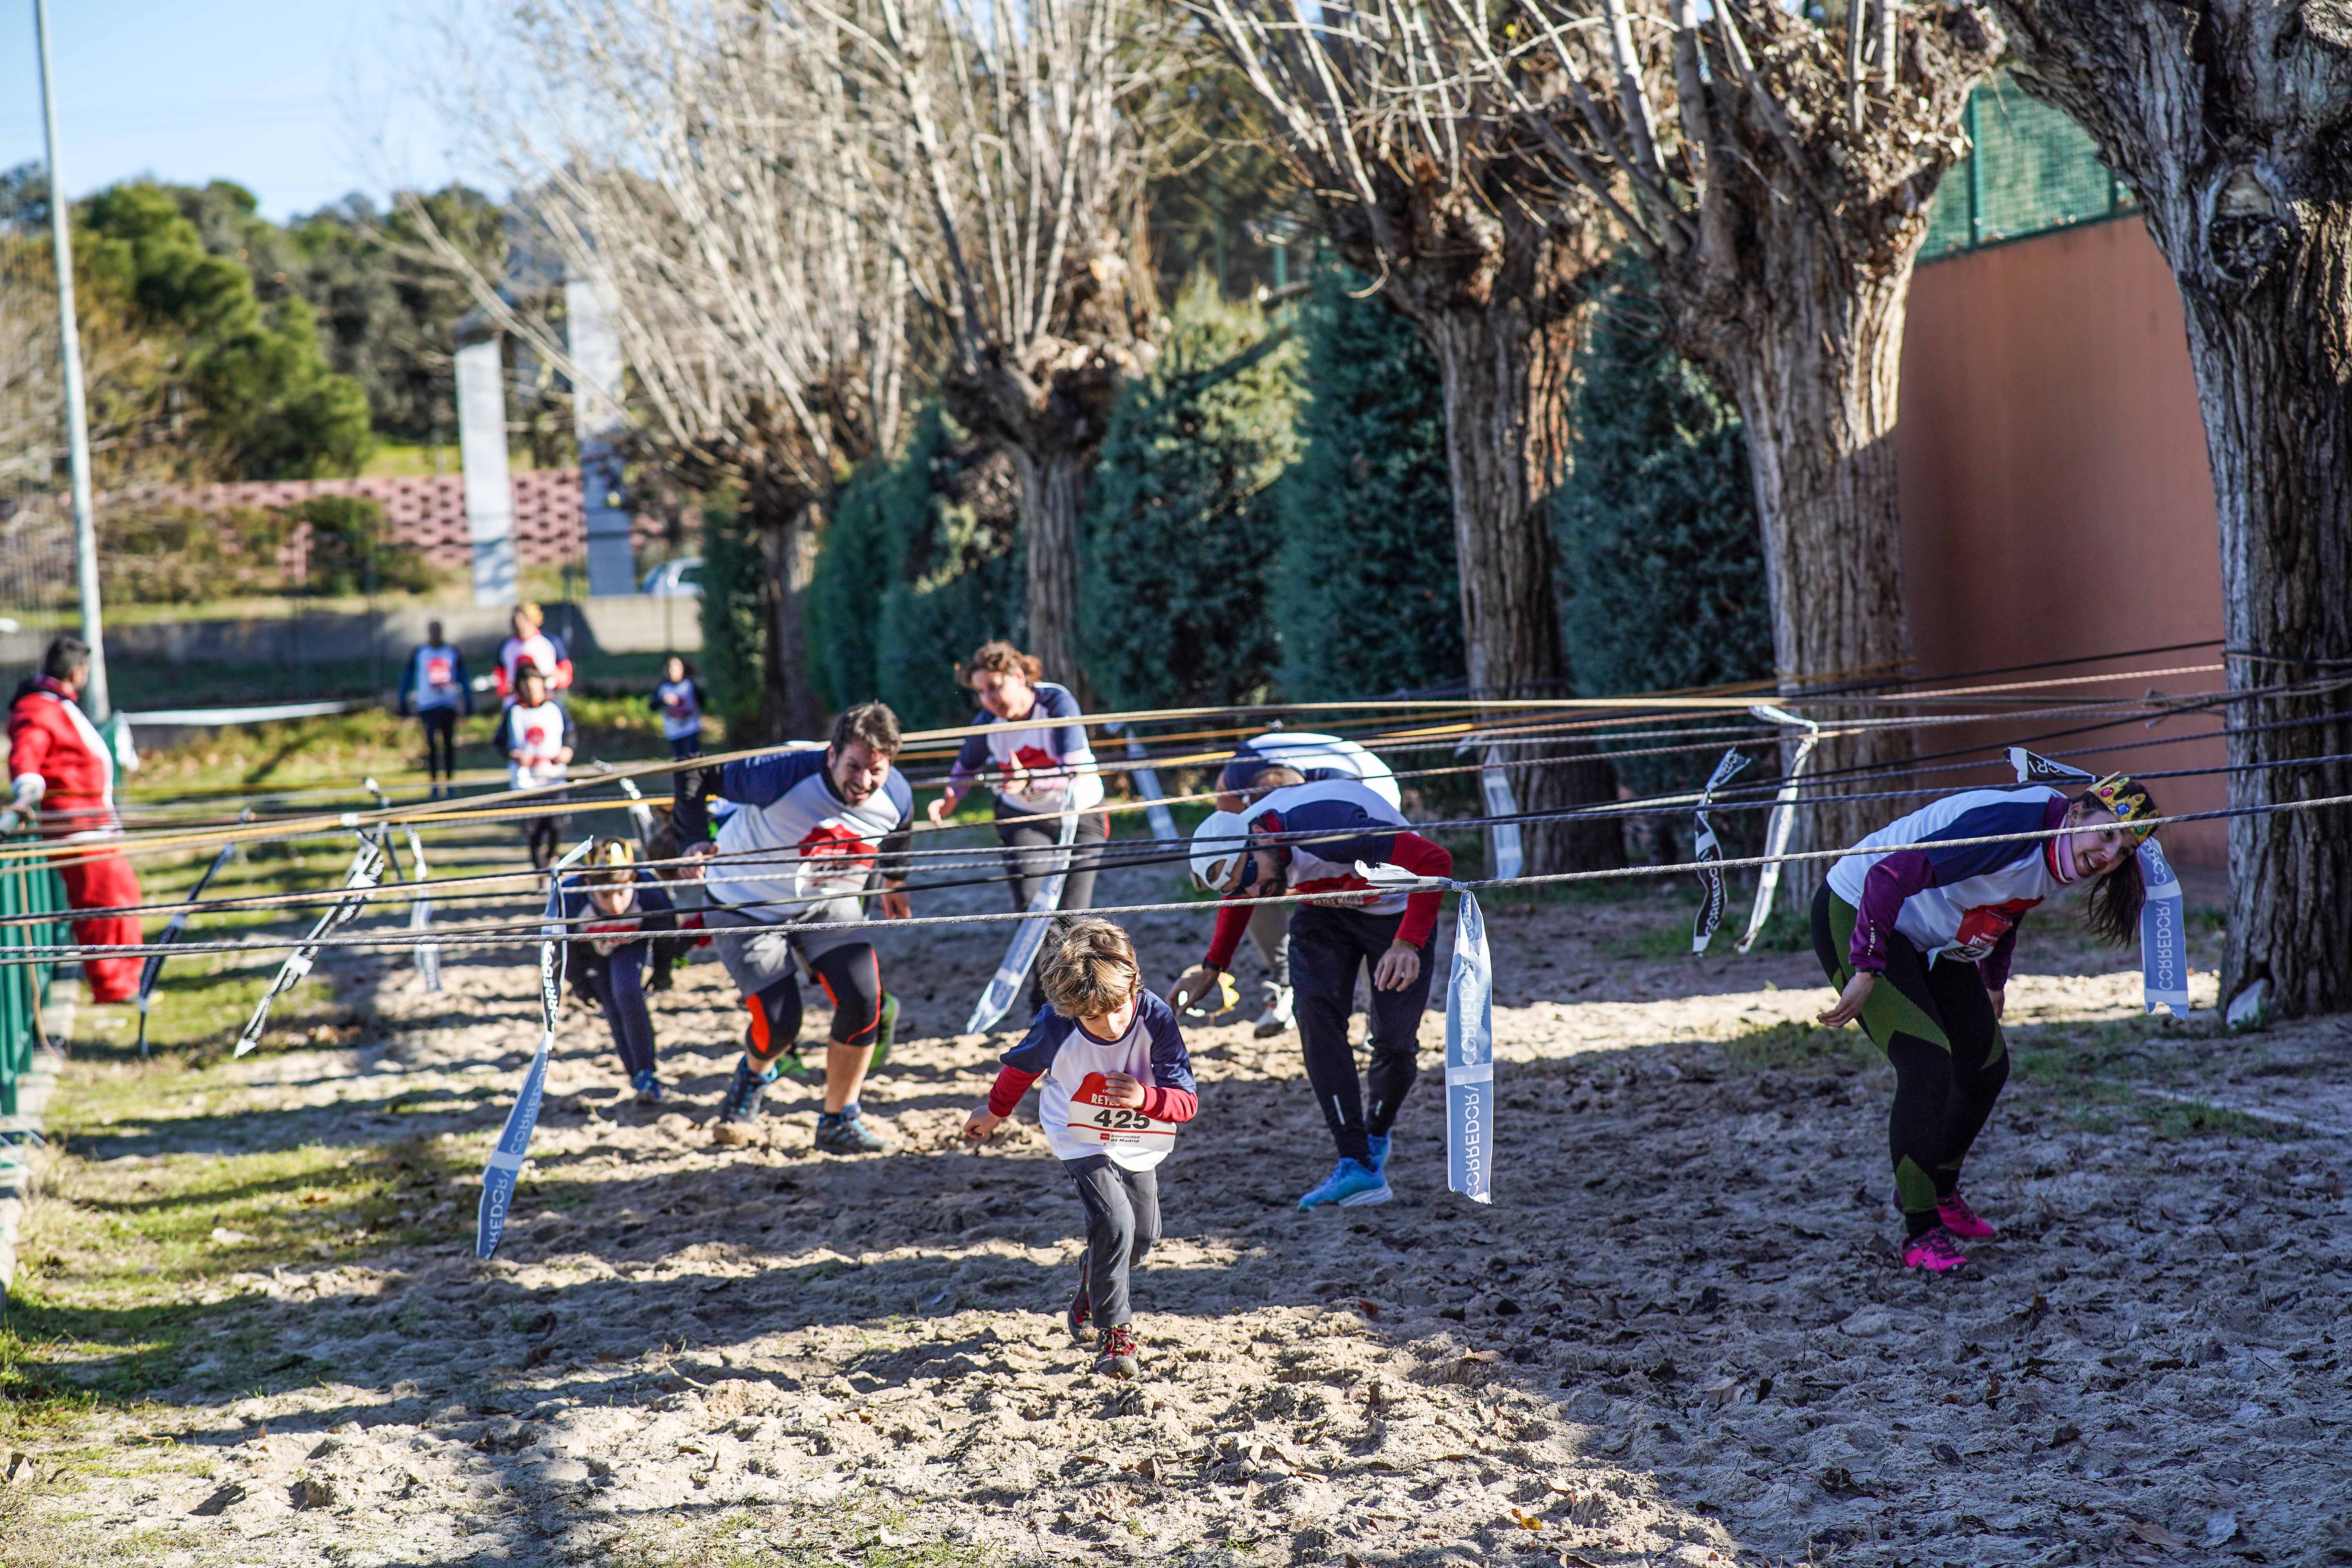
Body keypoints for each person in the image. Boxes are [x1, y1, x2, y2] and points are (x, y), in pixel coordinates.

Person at [1813, 773, 2159, 1273]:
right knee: (1927, 1064)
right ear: (2080, 811)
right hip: (1860, 909)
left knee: (1986, 1065)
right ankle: (1921, 1230)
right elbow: (1889, 875)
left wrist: (1994, 979)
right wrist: (1867, 965)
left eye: (2124, 852)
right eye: (2109, 835)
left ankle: (1941, 1187)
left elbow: (2009, 905)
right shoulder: (2013, 829)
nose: (2109, 857)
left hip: (1939, 930)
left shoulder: (2057, 845)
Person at [1170, 777, 1451, 1210]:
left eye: (1252, 875)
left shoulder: (1329, 829)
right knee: (1315, 1017)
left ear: (1261, 839)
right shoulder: (1241, 843)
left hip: (1395, 912)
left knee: (1394, 1042)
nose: (1257, 892)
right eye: (1240, 887)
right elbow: (1242, 895)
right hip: (1324, 913)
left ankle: (1376, 1134)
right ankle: (1356, 1163)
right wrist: (1212, 969)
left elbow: (1435, 859)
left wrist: (1408, 944)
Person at [964, 917, 1197, 1380]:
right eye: (1093, 1016)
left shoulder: (1155, 1017)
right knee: (1115, 1222)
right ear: (1070, 1009)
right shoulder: (1057, 1022)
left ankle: (1093, 1279)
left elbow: (1186, 1101)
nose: (1110, 1025)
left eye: (1117, 1009)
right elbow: (1020, 1069)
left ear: (1133, 980)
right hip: (1075, 1129)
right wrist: (994, 1111)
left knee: (1144, 1233)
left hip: (1138, 1130)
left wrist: (1146, 1099)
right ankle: (1115, 1335)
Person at [673, 701, 911, 1154]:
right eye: (854, 767)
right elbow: (693, 770)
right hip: (745, 903)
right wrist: (691, 841)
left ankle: (839, 1119)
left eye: (876, 771)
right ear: (831, 755)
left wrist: (896, 881)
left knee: (864, 1002)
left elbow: (901, 829)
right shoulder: (781, 773)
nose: (863, 782)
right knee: (781, 1024)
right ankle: (754, 1074)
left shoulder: (895, 794)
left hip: (827, 902)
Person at [927, 641, 1108, 1007]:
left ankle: (1081, 997)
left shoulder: (1056, 703)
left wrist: (1029, 781)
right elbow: (964, 770)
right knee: (1035, 910)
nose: (989, 700)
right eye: (981, 692)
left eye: (994, 687)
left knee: (1075, 917)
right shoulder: (988, 724)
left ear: (1020, 677)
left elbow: (1073, 770)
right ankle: (1049, 1005)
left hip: (1081, 813)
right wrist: (949, 799)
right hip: (1024, 818)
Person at [1212, 732, 1402, 1037]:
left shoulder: (1362, 798)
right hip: (1265, 769)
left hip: (1368, 793)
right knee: (1244, 872)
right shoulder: (1238, 778)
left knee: (1367, 905)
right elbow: (1232, 865)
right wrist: (1215, 963)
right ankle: (1284, 981)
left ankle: (1377, 1012)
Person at [3, 637, 142, 1004]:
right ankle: (113, 986)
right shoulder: (38, 708)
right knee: (101, 905)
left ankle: (126, 980)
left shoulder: (54, 704)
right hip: (77, 829)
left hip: (94, 823)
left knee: (122, 897)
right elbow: (26, 755)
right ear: (77, 672)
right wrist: (27, 789)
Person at [561, 838, 679, 1103]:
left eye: (621, 892)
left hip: (631, 944)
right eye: (605, 895)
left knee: (627, 993)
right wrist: (579, 985)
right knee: (612, 1007)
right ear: (589, 884)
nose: (615, 906)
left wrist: (662, 972)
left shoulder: (651, 893)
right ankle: (636, 1076)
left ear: (634, 878)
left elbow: (666, 939)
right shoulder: (570, 900)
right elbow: (563, 952)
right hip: (592, 954)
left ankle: (648, 1073)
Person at [496, 662, 576, 869]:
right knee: (532, 829)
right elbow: (500, 741)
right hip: (527, 781)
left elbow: (570, 734)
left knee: (557, 825)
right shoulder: (513, 711)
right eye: (526, 684)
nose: (531, 689)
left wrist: (568, 750)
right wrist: (514, 755)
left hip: (553, 777)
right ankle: (539, 869)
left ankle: (551, 858)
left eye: (535, 683)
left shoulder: (555, 707)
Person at [399, 619, 472, 796]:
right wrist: (402, 701)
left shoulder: (451, 651)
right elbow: (407, 678)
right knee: (431, 745)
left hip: (448, 704)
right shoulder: (420, 652)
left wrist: (468, 703)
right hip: (427, 705)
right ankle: (433, 784)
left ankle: (449, 783)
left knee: (448, 745)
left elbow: (463, 678)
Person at [494, 603, 573, 701]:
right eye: (516, 620)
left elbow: (566, 673)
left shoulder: (551, 642)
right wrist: (505, 689)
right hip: (516, 700)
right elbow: (500, 675)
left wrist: (555, 676)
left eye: (524, 619)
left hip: (548, 698)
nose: (519, 623)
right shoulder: (506, 646)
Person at [650, 655, 706, 759]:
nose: (673, 672)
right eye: (670, 669)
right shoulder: (663, 688)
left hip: (691, 728)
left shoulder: (690, 685)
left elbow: (703, 701)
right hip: (674, 731)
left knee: (693, 758)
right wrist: (663, 700)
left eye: (677, 668)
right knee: (680, 759)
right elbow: (652, 706)